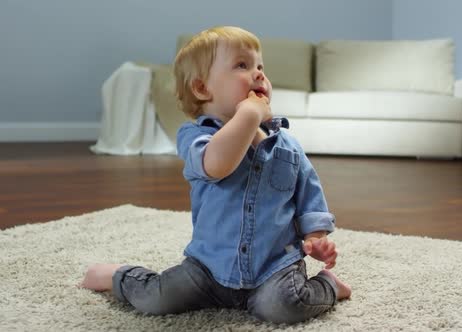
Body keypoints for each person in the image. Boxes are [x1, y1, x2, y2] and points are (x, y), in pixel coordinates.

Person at [80, 26, 351, 324]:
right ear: (202, 89)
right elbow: (217, 165)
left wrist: (315, 238)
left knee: (285, 307)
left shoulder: (287, 146)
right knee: (158, 299)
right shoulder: (194, 137)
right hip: (208, 269)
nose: (259, 74)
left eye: (260, 66)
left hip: (274, 267)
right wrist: (248, 114)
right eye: (242, 66)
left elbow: (309, 198)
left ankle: (328, 285)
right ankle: (118, 275)